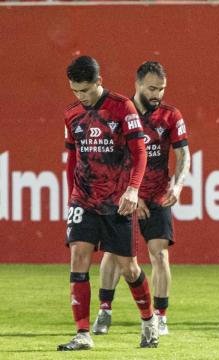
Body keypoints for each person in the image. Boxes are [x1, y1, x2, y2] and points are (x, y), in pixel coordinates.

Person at [59, 56, 157, 350]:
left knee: (129, 268)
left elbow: (140, 152)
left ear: (99, 82)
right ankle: (82, 333)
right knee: (78, 257)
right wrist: (70, 196)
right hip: (84, 199)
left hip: (117, 201)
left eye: (85, 91)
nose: (81, 97)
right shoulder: (72, 114)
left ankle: (148, 319)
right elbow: (72, 157)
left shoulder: (121, 107)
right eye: (76, 91)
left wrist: (133, 190)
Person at [92, 62, 191, 337]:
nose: (157, 93)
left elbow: (183, 154)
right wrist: (131, 193)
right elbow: (110, 160)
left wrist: (178, 186)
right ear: (137, 85)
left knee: (160, 254)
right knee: (113, 253)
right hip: (123, 195)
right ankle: (104, 311)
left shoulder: (171, 116)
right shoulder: (121, 113)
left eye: (161, 88)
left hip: (158, 195)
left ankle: (160, 316)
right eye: (152, 88)